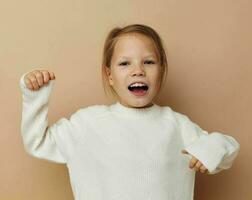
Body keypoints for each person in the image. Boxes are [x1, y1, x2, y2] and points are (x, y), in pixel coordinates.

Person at [19, 23, 240, 200]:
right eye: (125, 63)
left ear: (161, 71)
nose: (138, 71)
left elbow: (227, 151)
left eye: (149, 62)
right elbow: (38, 142)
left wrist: (214, 146)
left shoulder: (176, 125)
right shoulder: (87, 123)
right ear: (109, 75)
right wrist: (34, 97)